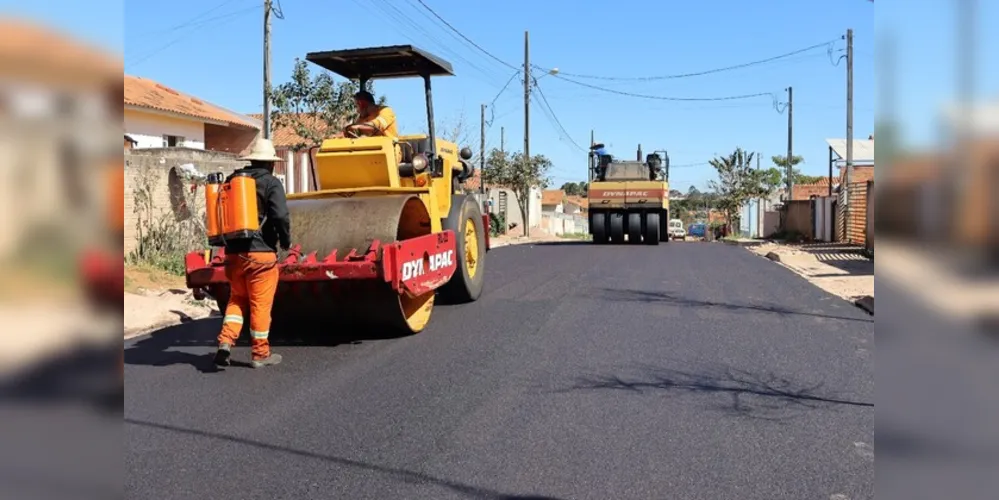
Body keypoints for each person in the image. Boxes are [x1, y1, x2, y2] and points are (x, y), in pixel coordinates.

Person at [214, 137, 291, 369]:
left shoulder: (233, 180)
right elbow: (280, 216)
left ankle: (225, 342)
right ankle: (260, 354)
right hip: (261, 257)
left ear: (251, 160)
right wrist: (285, 241)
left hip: (232, 254)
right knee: (260, 304)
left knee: (237, 299)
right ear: (270, 163)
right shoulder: (271, 183)